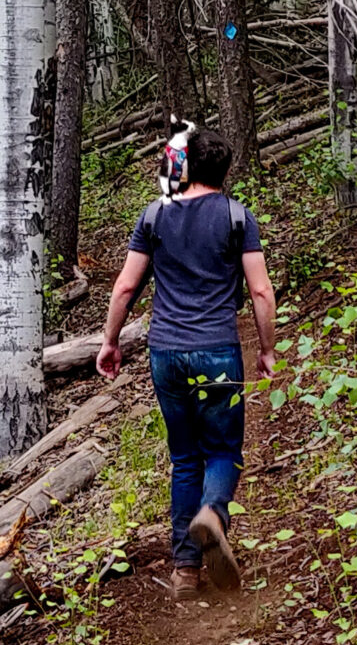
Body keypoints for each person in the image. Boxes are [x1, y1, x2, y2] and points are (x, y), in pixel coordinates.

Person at [96, 124, 276, 600]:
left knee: (184, 459)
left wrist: (110, 341)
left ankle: (185, 571)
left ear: (187, 167)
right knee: (222, 451)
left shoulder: (155, 215)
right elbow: (259, 290)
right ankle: (213, 513)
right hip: (216, 350)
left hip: (166, 353)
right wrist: (267, 348)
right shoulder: (239, 217)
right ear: (226, 170)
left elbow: (125, 287)